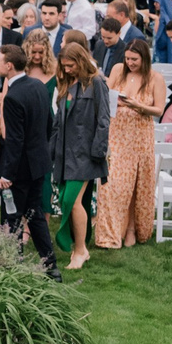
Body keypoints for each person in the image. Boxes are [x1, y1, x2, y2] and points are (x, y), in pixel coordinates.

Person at [0, 43, 62, 277]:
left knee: (11, 218)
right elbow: (48, 124)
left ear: (9, 66)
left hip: (19, 170)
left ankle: (13, 268)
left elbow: (14, 140)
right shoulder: (38, 86)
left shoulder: (12, 97)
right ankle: (51, 267)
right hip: (39, 163)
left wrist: (7, 175)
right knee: (35, 216)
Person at [93, 39, 165, 248]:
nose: (130, 63)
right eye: (127, 59)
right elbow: (105, 94)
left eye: (135, 59)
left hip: (139, 138)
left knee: (136, 185)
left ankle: (132, 228)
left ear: (144, 58)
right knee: (110, 184)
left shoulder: (155, 78)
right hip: (116, 135)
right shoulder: (117, 70)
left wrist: (138, 105)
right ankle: (109, 234)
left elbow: (159, 110)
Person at [50, 41, 107, 271]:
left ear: (81, 61)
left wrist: (98, 151)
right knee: (69, 200)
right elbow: (58, 122)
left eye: (70, 65)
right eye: (63, 66)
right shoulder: (65, 83)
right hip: (64, 154)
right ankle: (79, 247)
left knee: (71, 200)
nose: (66, 70)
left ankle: (81, 250)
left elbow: (104, 120)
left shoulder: (97, 84)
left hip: (86, 154)